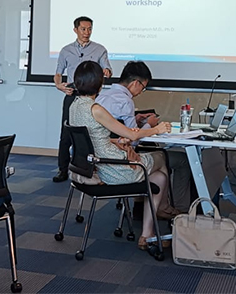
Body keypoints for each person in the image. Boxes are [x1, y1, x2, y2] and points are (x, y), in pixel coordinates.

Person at [95, 61, 226, 215]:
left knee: (161, 156)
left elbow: (115, 126)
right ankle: (180, 210)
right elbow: (133, 139)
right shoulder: (125, 101)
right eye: (143, 87)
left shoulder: (102, 96)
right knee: (181, 161)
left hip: (102, 157)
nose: (141, 92)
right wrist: (149, 125)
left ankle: (144, 206)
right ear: (135, 83)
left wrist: (136, 120)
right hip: (124, 159)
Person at [69, 61, 172, 250]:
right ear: (99, 84)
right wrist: (157, 129)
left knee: (159, 178)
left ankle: (147, 234)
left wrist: (116, 142)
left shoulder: (74, 106)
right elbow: (132, 135)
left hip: (91, 167)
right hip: (113, 170)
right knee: (160, 157)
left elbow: (92, 139)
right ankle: (154, 222)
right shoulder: (95, 109)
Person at [53, 16, 112, 183]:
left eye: (89, 29)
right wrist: (59, 85)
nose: (87, 32)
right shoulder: (66, 50)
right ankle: (62, 169)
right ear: (75, 30)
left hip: (91, 94)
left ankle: (91, 168)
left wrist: (106, 71)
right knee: (66, 133)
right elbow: (58, 73)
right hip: (72, 92)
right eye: (83, 29)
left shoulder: (100, 49)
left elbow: (107, 68)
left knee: (91, 132)